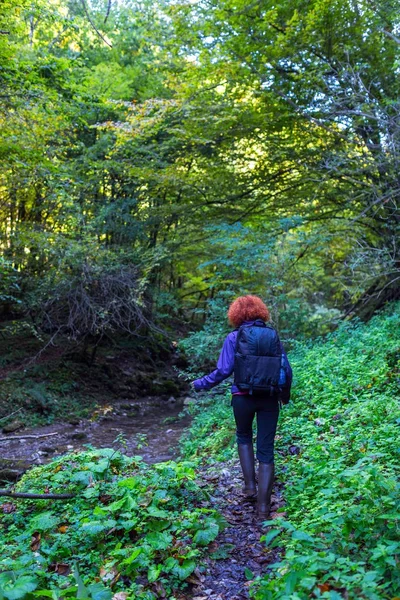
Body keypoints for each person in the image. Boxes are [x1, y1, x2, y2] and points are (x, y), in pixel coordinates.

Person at [192, 295, 292, 520]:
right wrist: (283, 396)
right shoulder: (272, 337)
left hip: (242, 397)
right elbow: (285, 368)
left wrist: (201, 384)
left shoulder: (233, 337)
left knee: (243, 436)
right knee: (266, 450)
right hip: (269, 399)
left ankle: (249, 487)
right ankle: (264, 509)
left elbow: (224, 370)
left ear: (236, 314)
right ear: (261, 312)